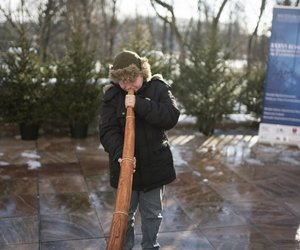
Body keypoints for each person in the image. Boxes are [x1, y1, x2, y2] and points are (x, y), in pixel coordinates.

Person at [99, 50, 180, 250]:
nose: (127, 86)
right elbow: (107, 131)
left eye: (132, 79)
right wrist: (120, 155)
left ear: (143, 73)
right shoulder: (112, 96)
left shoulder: (158, 88)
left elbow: (171, 116)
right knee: (124, 216)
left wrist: (140, 104)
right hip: (125, 170)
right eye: (122, 82)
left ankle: (150, 246)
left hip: (155, 167)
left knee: (153, 215)